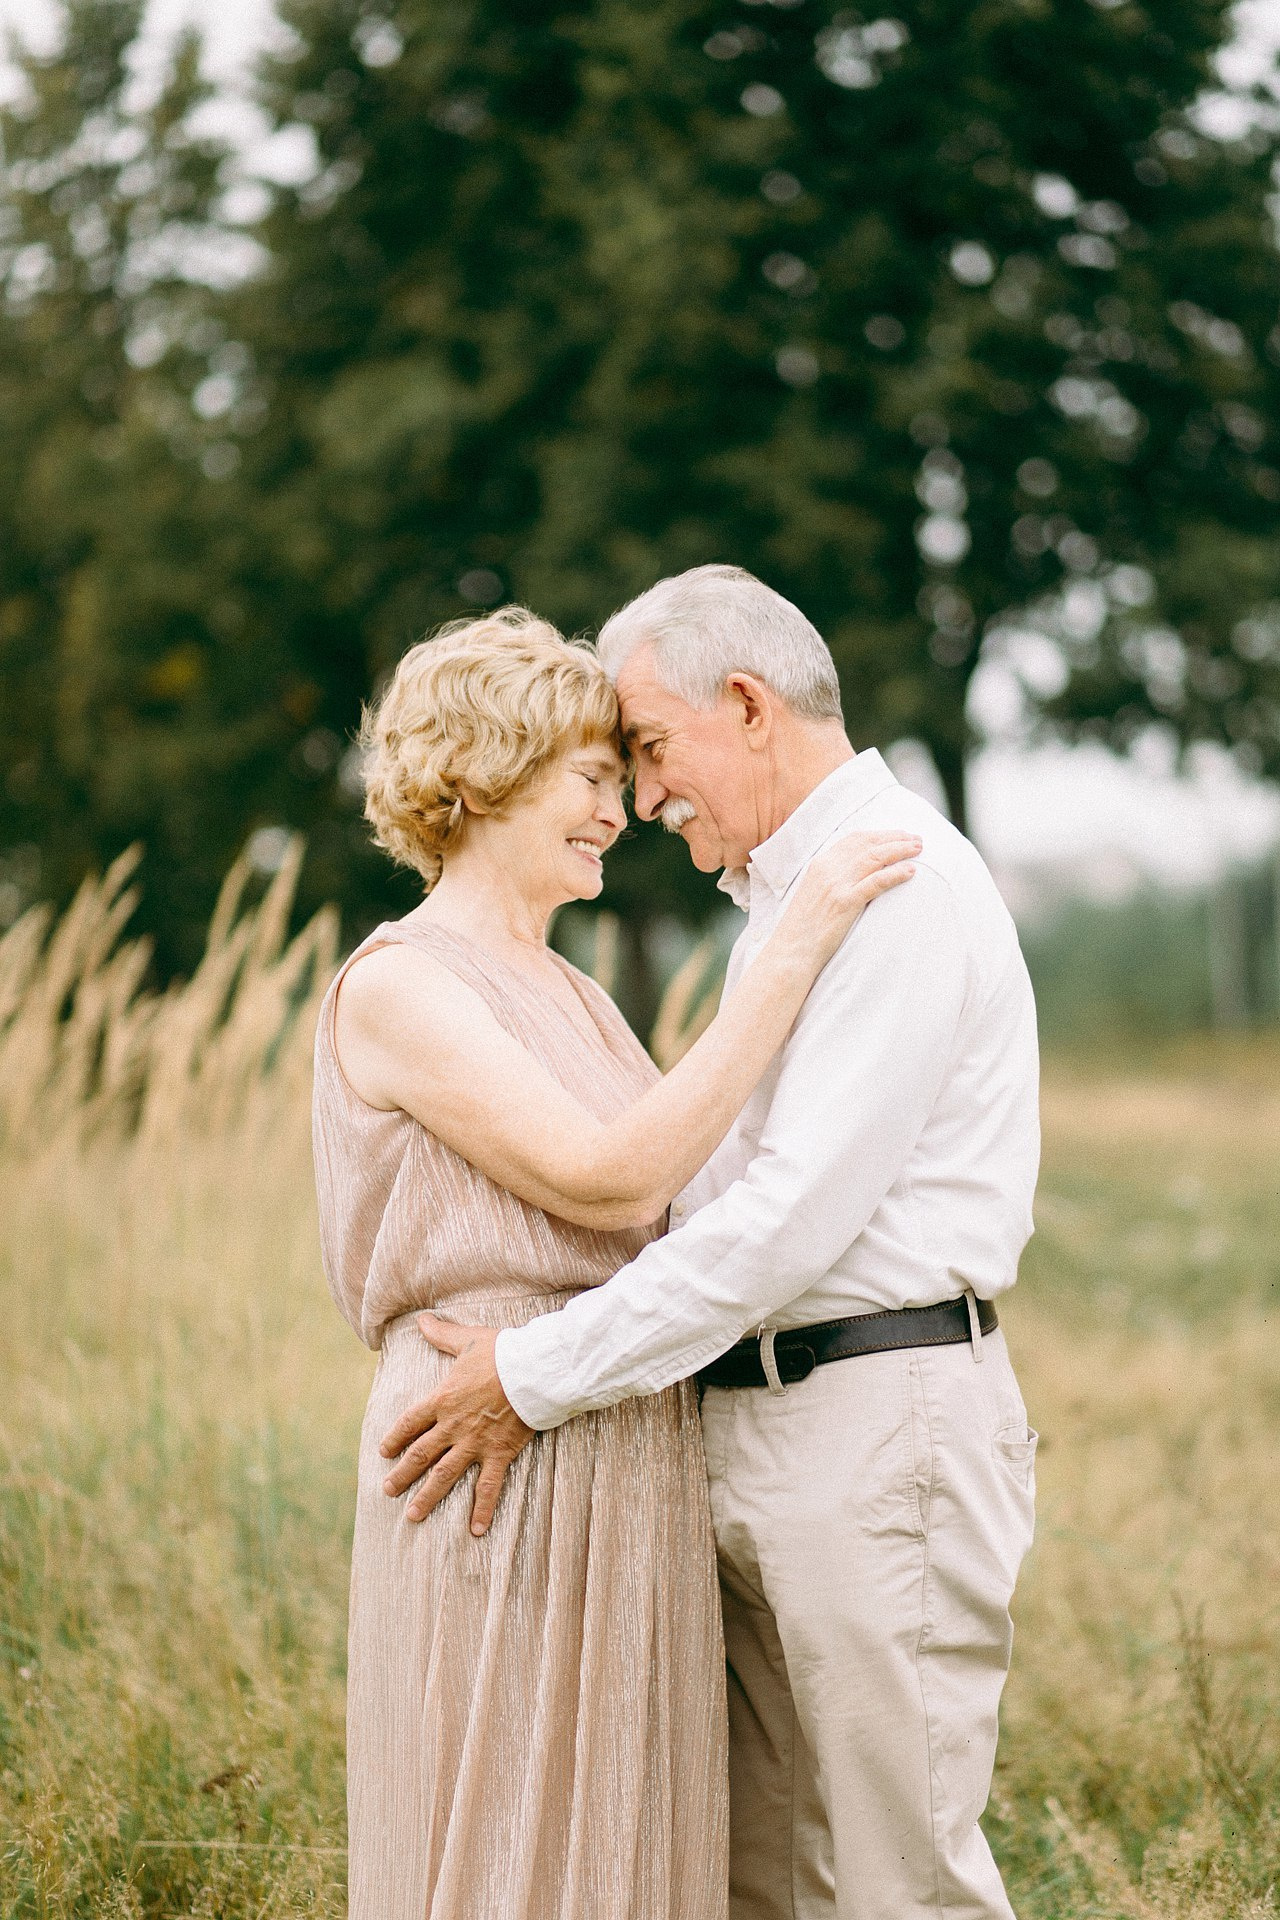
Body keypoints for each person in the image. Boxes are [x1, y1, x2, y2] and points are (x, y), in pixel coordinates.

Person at [391, 567, 1041, 1920]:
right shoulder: (788, 913)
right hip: (755, 1432)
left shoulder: (893, 890)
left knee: (900, 1884)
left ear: (745, 705)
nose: (639, 795)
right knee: (756, 1880)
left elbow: (781, 1226)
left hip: (875, 1425)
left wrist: (534, 1370)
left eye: (647, 744)